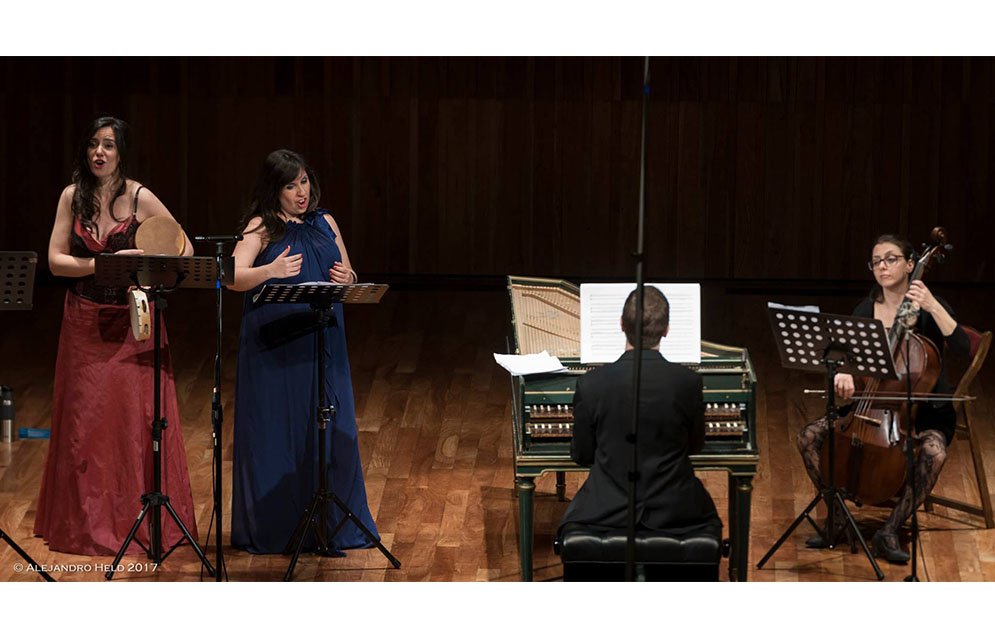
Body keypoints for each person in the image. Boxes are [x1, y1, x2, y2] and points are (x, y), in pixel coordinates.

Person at [36, 115, 198, 556]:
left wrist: (146, 267)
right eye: (93, 144)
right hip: (83, 320)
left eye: (108, 145)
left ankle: (132, 518)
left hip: (132, 323)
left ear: (121, 152)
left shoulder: (139, 196)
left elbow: (184, 247)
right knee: (84, 422)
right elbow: (55, 261)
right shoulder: (72, 196)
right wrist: (102, 265)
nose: (99, 153)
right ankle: (84, 524)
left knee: (131, 421)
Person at [229, 149, 378, 554]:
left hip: (322, 336)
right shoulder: (261, 226)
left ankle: (330, 522)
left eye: (304, 182)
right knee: (282, 426)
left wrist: (349, 277)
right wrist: (269, 271)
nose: (301, 192)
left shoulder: (325, 221)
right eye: (290, 185)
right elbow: (233, 277)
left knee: (328, 423)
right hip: (276, 343)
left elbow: (349, 273)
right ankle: (280, 525)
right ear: (274, 190)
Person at [797, 234, 970, 563]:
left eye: (891, 259)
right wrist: (844, 373)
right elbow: (844, 356)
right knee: (807, 437)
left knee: (934, 453)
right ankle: (837, 517)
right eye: (876, 261)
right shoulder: (866, 309)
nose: (882, 266)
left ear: (910, 265)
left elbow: (962, 347)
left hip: (922, 411)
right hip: (868, 405)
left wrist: (932, 305)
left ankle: (890, 529)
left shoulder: (929, 306)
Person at [558, 286, 722, 541]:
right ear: (666, 330)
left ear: (621, 325)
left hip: (606, 511)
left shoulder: (591, 384)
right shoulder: (688, 382)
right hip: (676, 510)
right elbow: (695, 445)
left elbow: (583, 454)